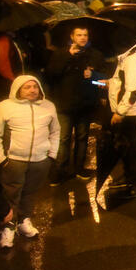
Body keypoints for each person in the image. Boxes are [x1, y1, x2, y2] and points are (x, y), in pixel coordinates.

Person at [0, 76, 59, 249]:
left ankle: (23, 220)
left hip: (40, 160)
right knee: (11, 194)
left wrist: (52, 154)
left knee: (29, 193)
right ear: (17, 89)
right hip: (14, 161)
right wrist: (1, 159)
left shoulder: (48, 106)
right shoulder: (4, 107)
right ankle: (7, 227)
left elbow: (55, 131)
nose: (32, 90)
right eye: (27, 87)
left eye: (35, 86)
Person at [44, 25, 104, 183]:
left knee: (82, 137)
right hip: (64, 104)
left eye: (85, 35)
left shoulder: (95, 55)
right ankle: (59, 172)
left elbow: (103, 81)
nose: (82, 38)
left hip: (84, 105)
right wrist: (67, 56)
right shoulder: (60, 53)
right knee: (63, 138)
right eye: (79, 35)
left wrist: (93, 75)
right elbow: (51, 75)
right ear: (72, 36)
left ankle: (79, 168)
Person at [104, 39, 136, 198]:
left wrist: (120, 112)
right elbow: (125, 81)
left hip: (130, 113)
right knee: (126, 148)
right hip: (131, 111)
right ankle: (129, 178)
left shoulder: (133, 60)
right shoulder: (133, 57)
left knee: (131, 149)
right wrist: (110, 83)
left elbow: (133, 90)